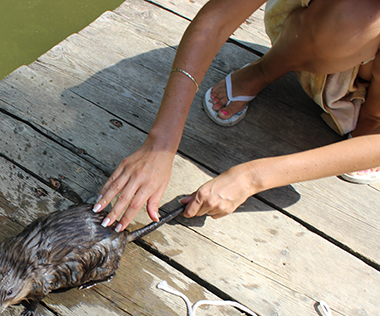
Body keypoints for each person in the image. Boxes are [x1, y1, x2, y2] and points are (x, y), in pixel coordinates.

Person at [93, 0, 380, 232]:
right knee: (352, 16)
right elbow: (217, 18)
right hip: (321, 34)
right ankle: (267, 68)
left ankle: (372, 121)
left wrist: (251, 177)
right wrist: (162, 142)